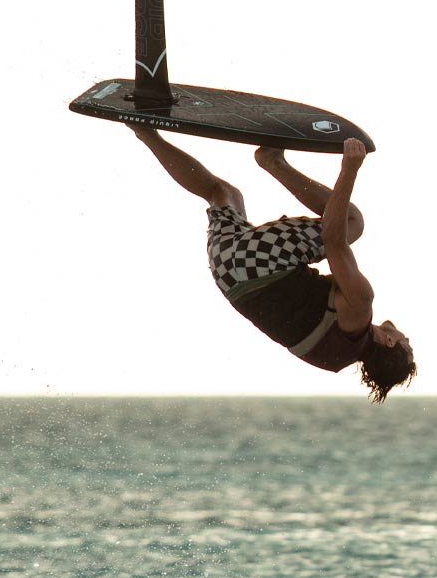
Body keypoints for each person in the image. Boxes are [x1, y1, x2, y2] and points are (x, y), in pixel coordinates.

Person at [133, 126, 415, 401]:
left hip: (263, 264)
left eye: (407, 344)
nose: (407, 337)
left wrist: (350, 169)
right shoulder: (332, 360)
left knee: (352, 222)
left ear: (390, 342)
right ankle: (145, 132)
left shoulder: (360, 306)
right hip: (227, 273)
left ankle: (273, 162)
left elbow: (333, 239)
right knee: (222, 192)